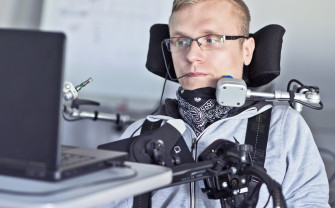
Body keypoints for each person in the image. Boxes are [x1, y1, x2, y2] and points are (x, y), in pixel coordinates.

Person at [100, 0, 330, 207]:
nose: (191, 55)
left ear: (247, 51)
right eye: (180, 40)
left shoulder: (283, 127)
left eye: (211, 39)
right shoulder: (139, 133)